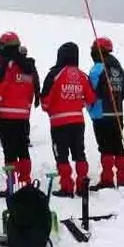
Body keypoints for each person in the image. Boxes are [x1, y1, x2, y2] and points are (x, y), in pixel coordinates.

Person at [41, 42, 96, 197]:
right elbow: (91, 98)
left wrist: (52, 108)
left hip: (59, 123)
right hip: (78, 122)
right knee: (80, 153)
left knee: (62, 155)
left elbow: (45, 101)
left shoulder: (55, 74)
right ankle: (82, 185)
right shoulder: (82, 75)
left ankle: (67, 187)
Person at [0, 31, 40, 195]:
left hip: (6, 116)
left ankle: (11, 186)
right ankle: (26, 183)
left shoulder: (5, 64)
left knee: (9, 152)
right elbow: (31, 90)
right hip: (23, 116)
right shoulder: (28, 66)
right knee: (23, 150)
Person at [86, 37, 124, 190]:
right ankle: (123, 179)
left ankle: (107, 180)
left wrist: (90, 107)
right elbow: (123, 92)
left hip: (101, 114)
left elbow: (91, 93)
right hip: (117, 113)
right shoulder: (119, 69)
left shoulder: (97, 68)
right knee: (118, 147)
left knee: (106, 148)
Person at [18, 44, 40, 148]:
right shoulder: (31, 66)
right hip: (27, 98)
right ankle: (25, 139)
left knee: (15, 119)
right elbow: (36, 81)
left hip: (16, 97)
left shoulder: (15, 65)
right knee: (25, 119)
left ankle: (18, 139)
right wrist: (37, 96)